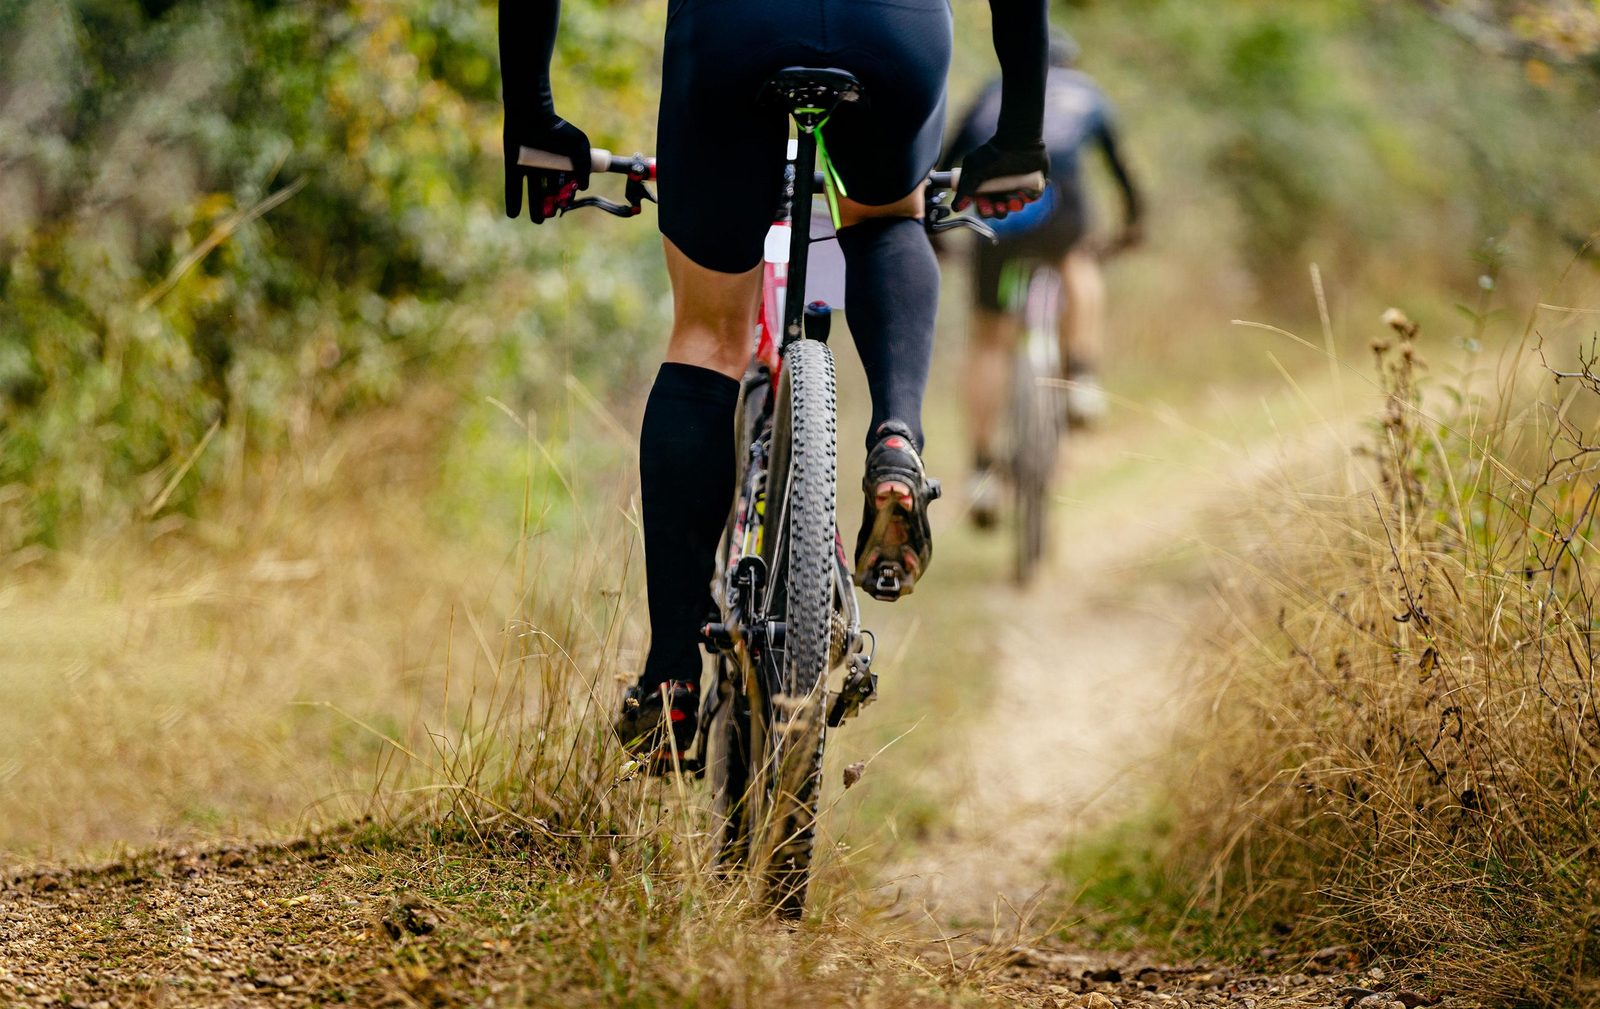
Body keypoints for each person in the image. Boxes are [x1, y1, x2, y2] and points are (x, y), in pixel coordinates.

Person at [499, 0, 1050, 766]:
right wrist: (1020, 133)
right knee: (888, 216)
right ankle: (896, 439)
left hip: (734, 27)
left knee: (707, 335)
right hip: (893, 32)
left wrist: (532, 114)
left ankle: (669, 677)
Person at [942, 31, 1142, 528]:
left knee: (989, 341)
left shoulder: (993, 90)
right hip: (1060, 203)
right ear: (1071, 62)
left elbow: (944, 165)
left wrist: (937, 236)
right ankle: (1083, 377)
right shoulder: (1087, 91)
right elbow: (1121, 171)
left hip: (997, 211)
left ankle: (982, 475)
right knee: (1077, 260)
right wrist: (1134, 225)